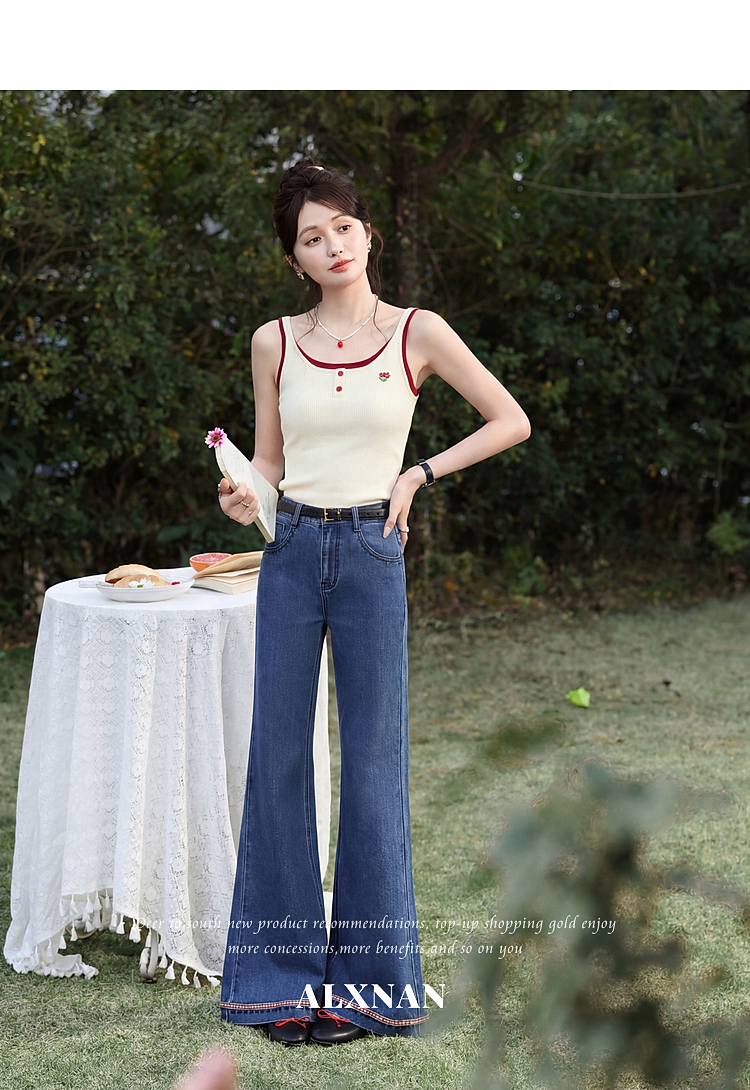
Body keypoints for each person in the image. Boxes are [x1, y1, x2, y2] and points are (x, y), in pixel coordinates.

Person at [217, 158, 530, 1047]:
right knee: (278, 763)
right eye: (312, 238)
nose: (333, 246)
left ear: (366, 231)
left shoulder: (417, 332)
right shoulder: (274, 342)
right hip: (288, 551)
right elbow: (269, 461)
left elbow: (510, 419)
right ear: (295, 259)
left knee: (374, 770)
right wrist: (243, 495)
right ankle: (276, 985)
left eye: (343, 227)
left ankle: (368, 988)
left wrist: (419, 473)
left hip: (369, 551)